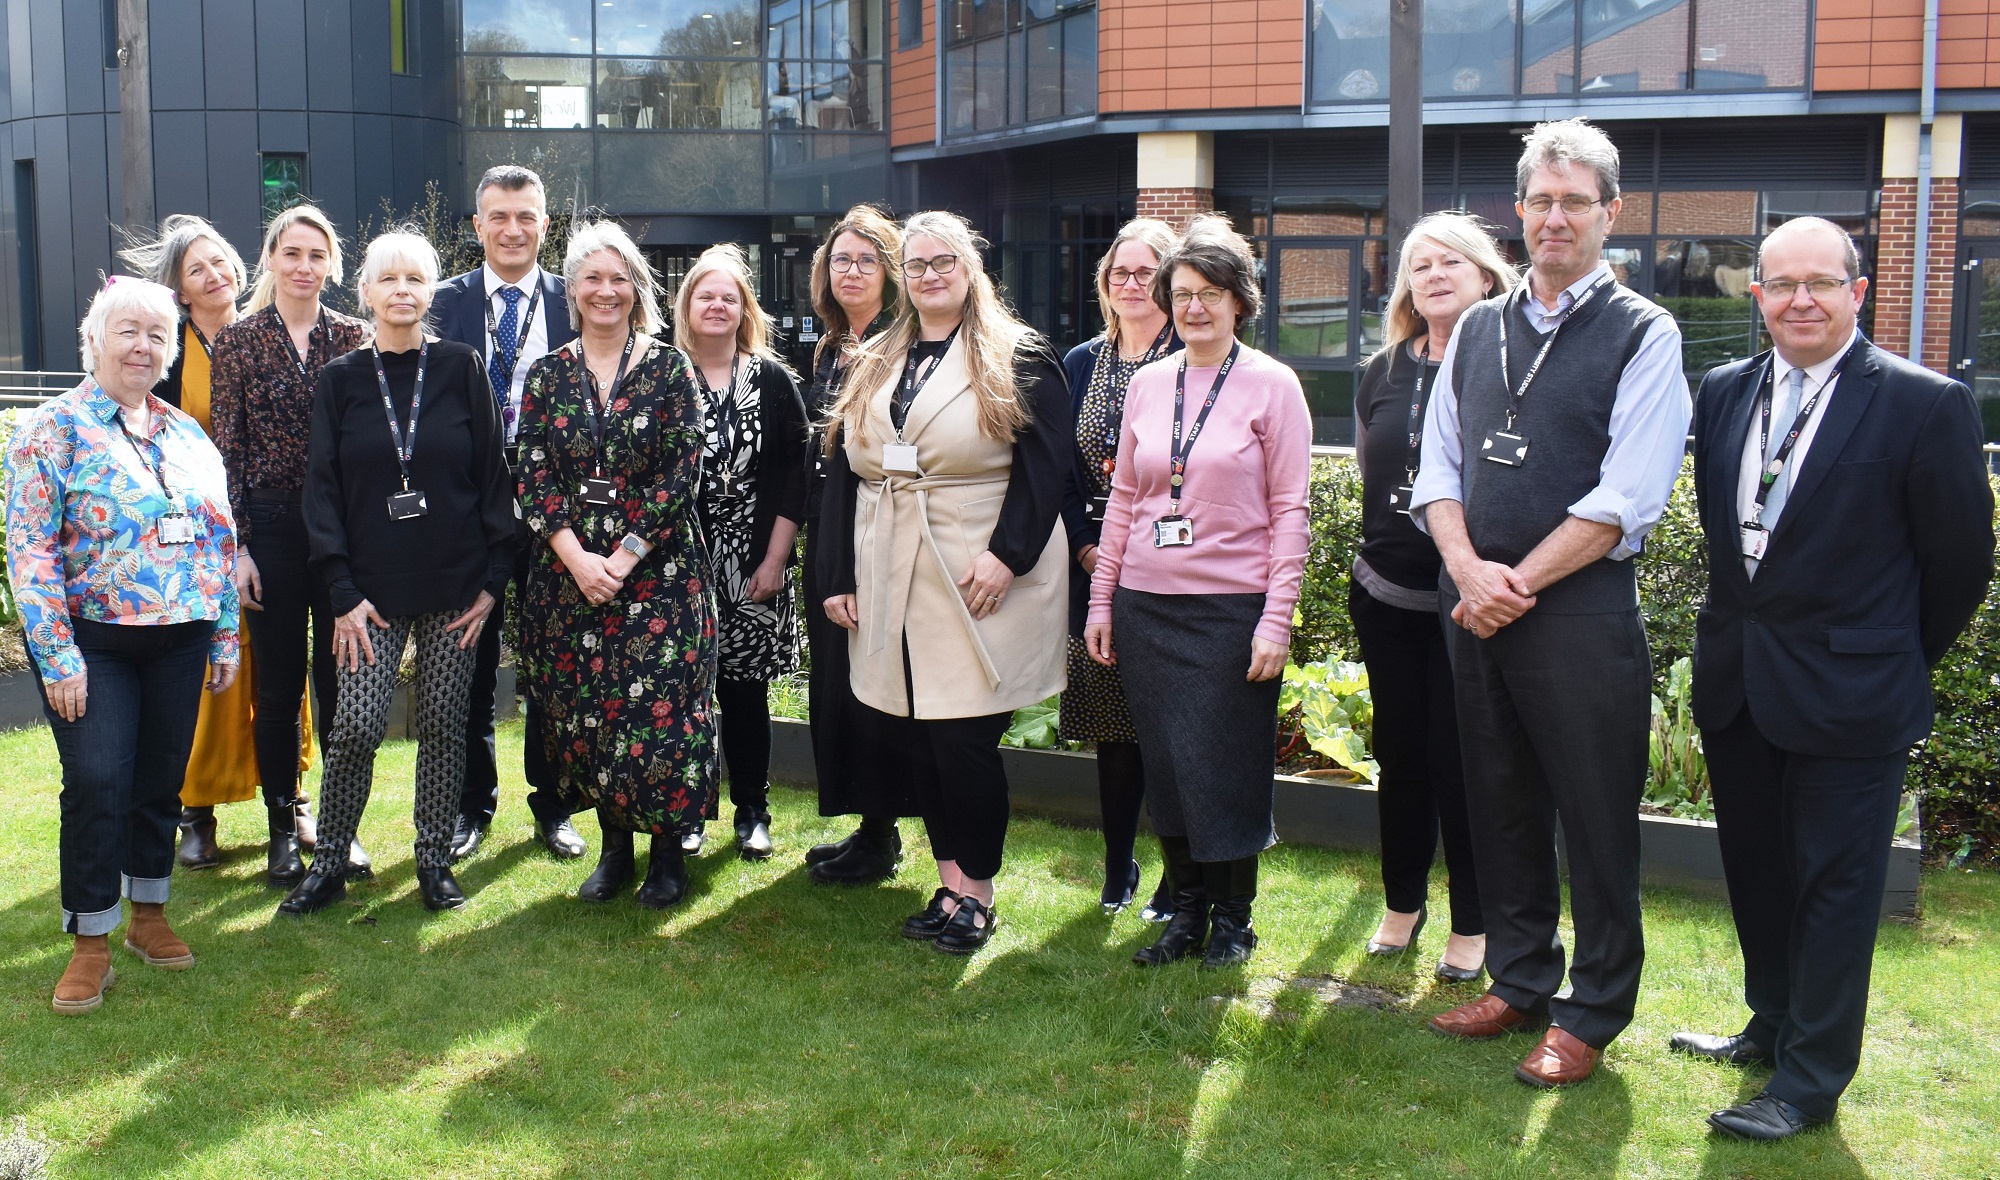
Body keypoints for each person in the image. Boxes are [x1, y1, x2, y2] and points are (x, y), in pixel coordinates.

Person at [1680, 217, 1993, 1139]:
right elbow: (1728, 541)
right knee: (1759, 871)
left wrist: (1891, 653)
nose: (1800, 299)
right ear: (1757, 296)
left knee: (1834, 887)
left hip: (1854, 697)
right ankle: (1770, 1027)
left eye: (1822, 282)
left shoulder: (1923, 403)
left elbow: (1961, 564)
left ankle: (1808, 1084)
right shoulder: (1726, 390)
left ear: (1859, 292)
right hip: (1742, 682)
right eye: (1782, 284)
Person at [1410, 118, 1692, 1087]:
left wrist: (1510, 581)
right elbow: (1436, 464)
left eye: (1576, 200)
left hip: (1574, 613)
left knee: (1594, 819)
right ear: (1517, 210)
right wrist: (1465, 567)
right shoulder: (1478, 326)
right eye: (1540, 199)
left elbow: (1628, 496)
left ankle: (1594, 1008)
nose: (1555, 216)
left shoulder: (1644, 332)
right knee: (1500, 803)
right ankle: (1520, 976)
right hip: (1475, 604)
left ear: (1609, 213)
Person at [819, 210, 1072, 954]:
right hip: (892, 568)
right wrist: (839, 572)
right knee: (918, 737)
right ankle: (950, 882)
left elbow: (1048, 467)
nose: (931, 275)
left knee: (963, 739)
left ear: (970, 268)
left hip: (975, 574)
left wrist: (1007, 556)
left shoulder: (1016, 355)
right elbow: (846, 469)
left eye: (944, 262)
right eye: (918, 263)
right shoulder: (878, 353)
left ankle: (981, 895)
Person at [4, 278, 239, 1014]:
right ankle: (89, 944)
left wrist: (225, 629)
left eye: (157, 336)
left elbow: (220, 538)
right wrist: (57, 654)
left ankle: (148, 917)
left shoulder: (186, 433)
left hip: (181, 638)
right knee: (99, 782)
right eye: (129, 331)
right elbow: (31, 550)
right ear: (95, 340)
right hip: (93, 646)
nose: (144, 346)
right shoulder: (53, 428)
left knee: (159, 784)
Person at [1084, 215, 1311, 970]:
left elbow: (1290, 513)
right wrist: (1102, 602)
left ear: (1240, 300)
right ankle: (1184, 913)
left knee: (1225, 766)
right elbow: (1123, 500)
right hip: (1147, 608)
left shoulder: (1273, 385)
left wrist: (1275, 621)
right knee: (1171, 769)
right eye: (1181, 294)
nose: (1194, 309)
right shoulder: (1150, 384)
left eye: (1211, 293)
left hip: (1230, 613)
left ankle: (1235, 920)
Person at [280, 232, 516, 915]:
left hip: (456, 587)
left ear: (432, 289)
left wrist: (494, 580)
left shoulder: (463, 368)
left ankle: (434, 861)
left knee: (444, 722)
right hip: (367, 596)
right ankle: (328, 861)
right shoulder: (340, 381)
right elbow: (320, 490)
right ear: (368, 294)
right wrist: (342, 591)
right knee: (354, 724)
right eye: (390, 280)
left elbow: (492, 477)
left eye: (416, 278)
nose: (404, 290)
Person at [516, 221, 718, 908]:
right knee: (589, 713)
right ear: (571, 288)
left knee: (660, 717)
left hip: (659, 577)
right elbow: (533, 471)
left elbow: (682, 467)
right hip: (570, 580)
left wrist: (625, 556)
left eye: (618, 277)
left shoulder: (670, 368)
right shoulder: (546, 375)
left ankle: (667, 855)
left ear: (636, 288)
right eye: (592, 278)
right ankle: (614, 850)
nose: (606, 290)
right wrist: (577, 559)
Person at [120, 215, 317, 871]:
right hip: (191, 536)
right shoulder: (168, 352)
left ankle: (293, 801)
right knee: (204, 672)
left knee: (280, 669)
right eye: (196, 269)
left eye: (220, 260)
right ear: (178, 289)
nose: (215, 274)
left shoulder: (275, 327)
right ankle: (195, 811)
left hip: (273, 526)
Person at [1351, 213, 1515, 982]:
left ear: (1487, 275)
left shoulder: (1511, 365)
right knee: (1400, 757)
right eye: (1420, 266)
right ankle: (1401, 904)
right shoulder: (1381, 369)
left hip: (1471, 602)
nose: (1436, 275)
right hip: (1386, 595)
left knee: (1463, 765)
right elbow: (1370, 468)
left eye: (1453, 261)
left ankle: (1474, 923)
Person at [210, 204, 373, 888]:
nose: (304, 266)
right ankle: (283, 828)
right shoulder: (239, 343)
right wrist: (239, 547)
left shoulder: (355, 338)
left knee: (341, 687)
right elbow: (227, 452)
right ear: (271, 261)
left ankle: (339, 829)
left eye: (316, 255)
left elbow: (370, 448)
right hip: (270, 532)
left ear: (331, 265)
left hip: (341, 534)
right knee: (277, 690)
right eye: (292, 253)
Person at [431, 164, 585, 863]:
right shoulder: (441, 304)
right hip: (470, 515)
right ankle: (473, 807)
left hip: (562, 515)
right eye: (499, 216)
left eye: (527, 216)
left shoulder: (576, 301)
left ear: (546, 225)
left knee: (554, 665)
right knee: (471, 659)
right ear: (477, 225)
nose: (513, 229)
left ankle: (554, 806)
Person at [1059, 217, 1181, 916]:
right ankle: (1117, 867)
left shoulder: (1191, 360)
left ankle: (1174, 872)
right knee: (1110, 728)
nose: (1132, 284)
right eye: (1120, 273)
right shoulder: (1081, 362)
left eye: (1146, 273)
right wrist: (1084, 545)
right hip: (1094, 565)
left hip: (1167, 564)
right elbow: (1062, 475)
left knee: (1165, 724)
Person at [674, 243, 808, 861]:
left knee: (744, 691)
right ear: (687, 305)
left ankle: (752, 809)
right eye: (707, 295)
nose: (718, 305)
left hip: (753, 564)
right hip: (675, 566)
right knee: (682, 692)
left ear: (745, 307)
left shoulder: (773, 378)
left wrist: (775, 560)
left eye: (730, 296)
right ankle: (690, 810)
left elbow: (792, 476)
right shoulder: (662, 374)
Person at [801, 205, 911, 886]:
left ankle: (882, 833)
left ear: (890, 271)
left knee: (875, 684)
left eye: (866, 260)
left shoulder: (902, 347)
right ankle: (871, 824)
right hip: (828, 533)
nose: (851, 270)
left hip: (876, 538)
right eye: (841, 260)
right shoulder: (831, 345)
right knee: (838, 687)